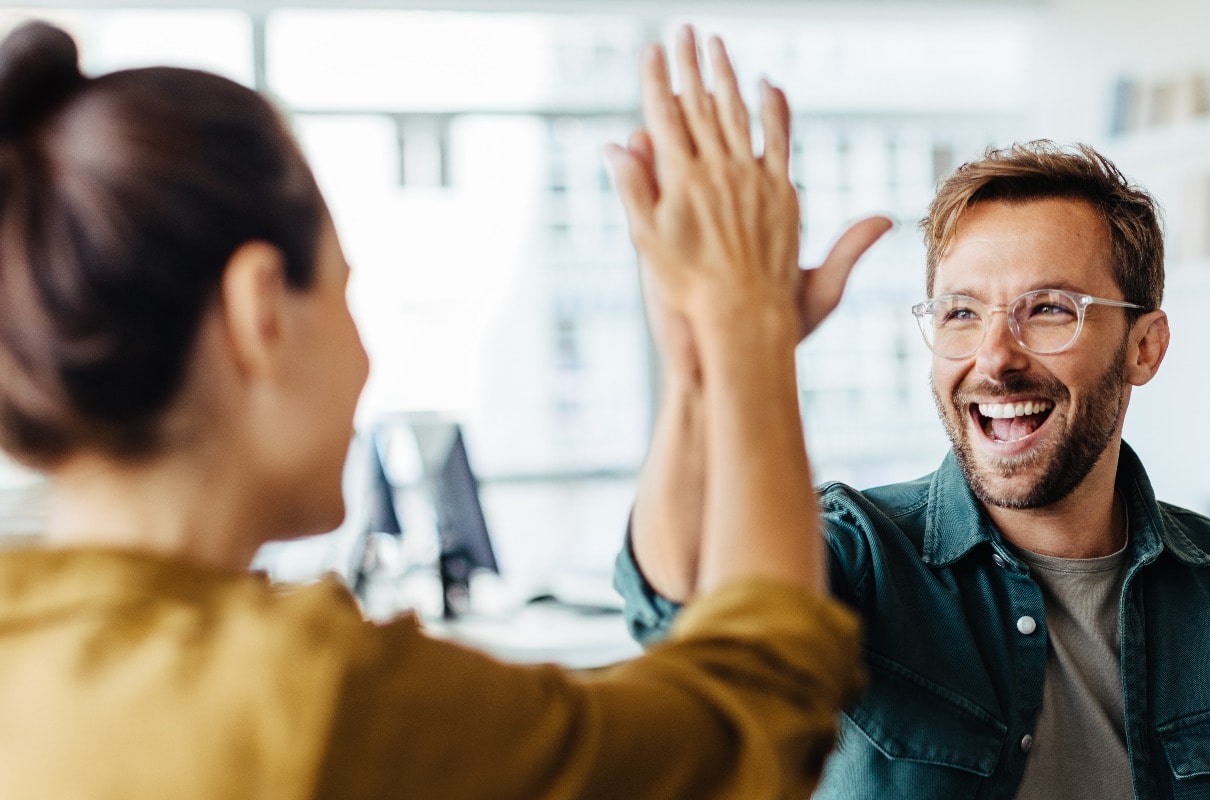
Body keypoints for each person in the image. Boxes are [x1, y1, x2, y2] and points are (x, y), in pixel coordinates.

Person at [0, 21, 873, 799]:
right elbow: (746, 726)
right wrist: (748, 325)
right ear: (260, 312)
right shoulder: (300, 697)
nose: (369, 355)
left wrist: (700, 372)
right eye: (346, 294)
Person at [619, 138, 1210, 797]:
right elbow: (681, 601)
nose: (995, 358)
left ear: (1145, 346)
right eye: (961, 312)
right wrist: (705, 368)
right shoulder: (861, 555)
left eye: (1049, 309)